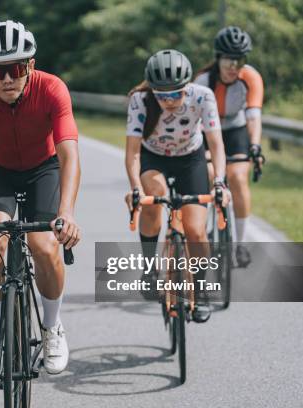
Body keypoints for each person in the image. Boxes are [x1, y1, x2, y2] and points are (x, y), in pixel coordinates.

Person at [0, 20, 81, 382]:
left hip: (44, 168)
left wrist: (66, 212)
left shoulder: (52, 89)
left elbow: (69, 154)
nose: (7, 79)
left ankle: (52, 329)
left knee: (44, 244)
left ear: (30, 66)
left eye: (16, 69)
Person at [124, 49, 231, 323]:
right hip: (154, 157)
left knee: (196, 229)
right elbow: (133, 153)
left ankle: (201, 290)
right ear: (152, 89)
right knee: (154, 198)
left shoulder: (202, 96)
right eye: (162, 95)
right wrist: (136, 188)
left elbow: (216, 144)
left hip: (190, 159)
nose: (169, 101)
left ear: (187, 86)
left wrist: (219, 181)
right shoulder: (140, 100)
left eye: (175, 94)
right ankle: (149, 269)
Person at [194, 26, 264, 267]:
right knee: (209, 174)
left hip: (235, 130)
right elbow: (193, 121)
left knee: (238, 178)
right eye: (228, 60)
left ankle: (239, 245)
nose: (233, 66)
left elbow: (254, 116)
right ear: (218, 58)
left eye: (239, 60)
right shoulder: (203, 80)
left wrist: (255, 146)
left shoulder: (251, 77)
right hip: (206, 131)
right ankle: (200, 232)